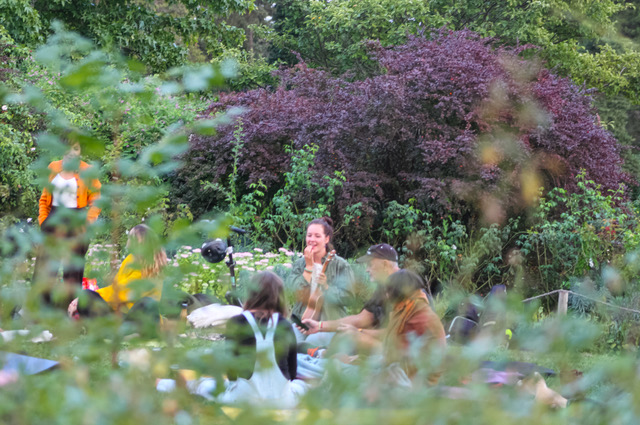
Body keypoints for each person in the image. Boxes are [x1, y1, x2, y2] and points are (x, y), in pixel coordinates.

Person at [157, 271, 308, 408]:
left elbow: (231, 370)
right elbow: (292, 373)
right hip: (282, 401)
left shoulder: (237, 322)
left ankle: (161, 384)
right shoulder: (285, 325)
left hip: (244, 398)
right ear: (278, 297)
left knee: (203, 385)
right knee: (302, 387)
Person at [33, 141, 101, 307]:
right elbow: (44, 200)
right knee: (45, 268)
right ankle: (39, 311)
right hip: (53, 219)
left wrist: (88, 223)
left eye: (76, 148)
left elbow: (97, 200)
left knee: (73, 271)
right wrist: (43, 221)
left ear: (80, 151)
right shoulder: (53, 167)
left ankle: (69, 312)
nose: (71, 152)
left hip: (76, 221)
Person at [300, 243, 400, 348]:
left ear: (384, 264)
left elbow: (396, 334)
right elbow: (363, 318)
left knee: (346, 338)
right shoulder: (384, 286)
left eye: (370, 265)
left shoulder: (401, 285)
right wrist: (320, 326)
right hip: (385, 345)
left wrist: (359, 332)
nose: (367, 269)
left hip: (399, 351)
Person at [68, 224, 167, 318]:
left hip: (130, 317)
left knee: (87, 297)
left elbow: (121, 292)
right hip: (131, 315)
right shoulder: (142, 261)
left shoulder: (142, 263)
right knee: (86, 296)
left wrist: (85, 297)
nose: (127, 242)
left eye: (130, 238)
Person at [288, 217, 354, 345]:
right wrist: (308, 268)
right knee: (285, 343)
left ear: (327, 239)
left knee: (310, 344)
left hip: (328, 324)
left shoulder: (340, 265)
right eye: (309, 235)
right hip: (301, 323)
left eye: (317, 236)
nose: (312, 240)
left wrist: (327, 287)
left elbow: (349, 298)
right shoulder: (299, 264)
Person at [382, 269, 446, 386]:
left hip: (420, 383)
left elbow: (399, 354)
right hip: (406, 374)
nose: (386, 295)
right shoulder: (406, 308)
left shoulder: (419, 316)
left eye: (388, 291)